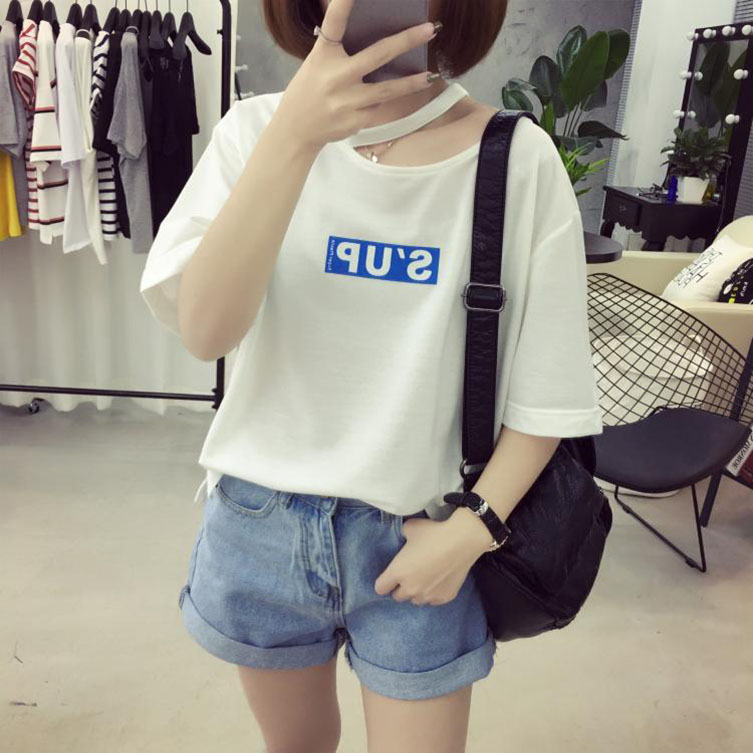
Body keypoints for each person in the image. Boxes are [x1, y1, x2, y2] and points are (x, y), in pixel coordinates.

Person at [139, 1, 603, 751]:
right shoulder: (252, 133)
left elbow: (548, 397)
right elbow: (206, 331)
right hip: (259, 523)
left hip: (424, 530)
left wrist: (471, 531)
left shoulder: (515, 159)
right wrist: (294, 138)